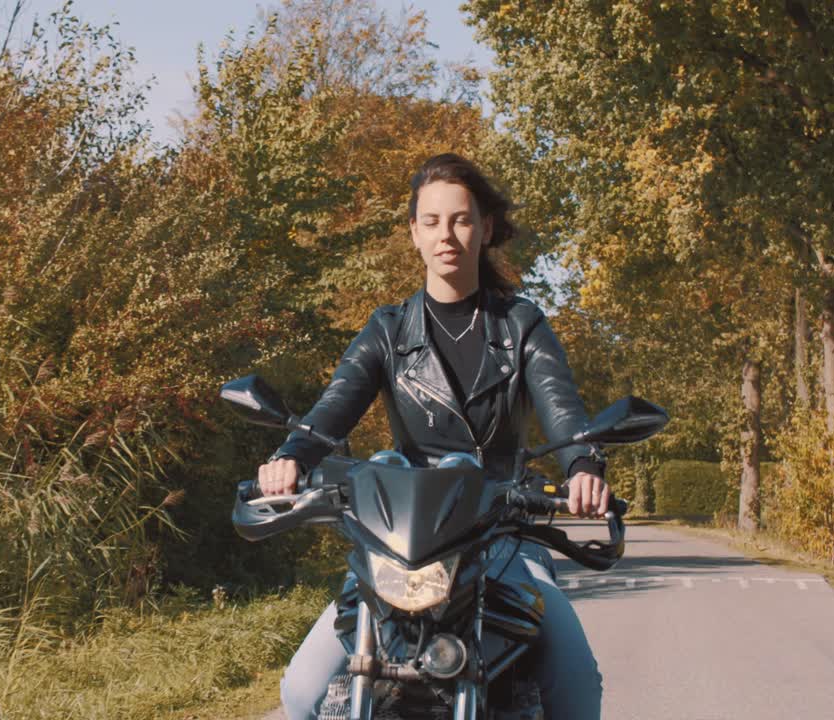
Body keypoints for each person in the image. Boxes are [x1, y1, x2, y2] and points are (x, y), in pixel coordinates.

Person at [258, 152, 608, 719]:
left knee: (575, 686)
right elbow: (332, 409)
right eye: (432, 221)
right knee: (302, 691)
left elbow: (563, 411)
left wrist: (583, 466)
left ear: (486, 228)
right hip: (402, 545)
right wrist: (291, 456)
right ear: (414, 234)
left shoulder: (522, 327)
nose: (447, 234)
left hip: (500, 536)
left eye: (462, 219)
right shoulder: (388, 331)